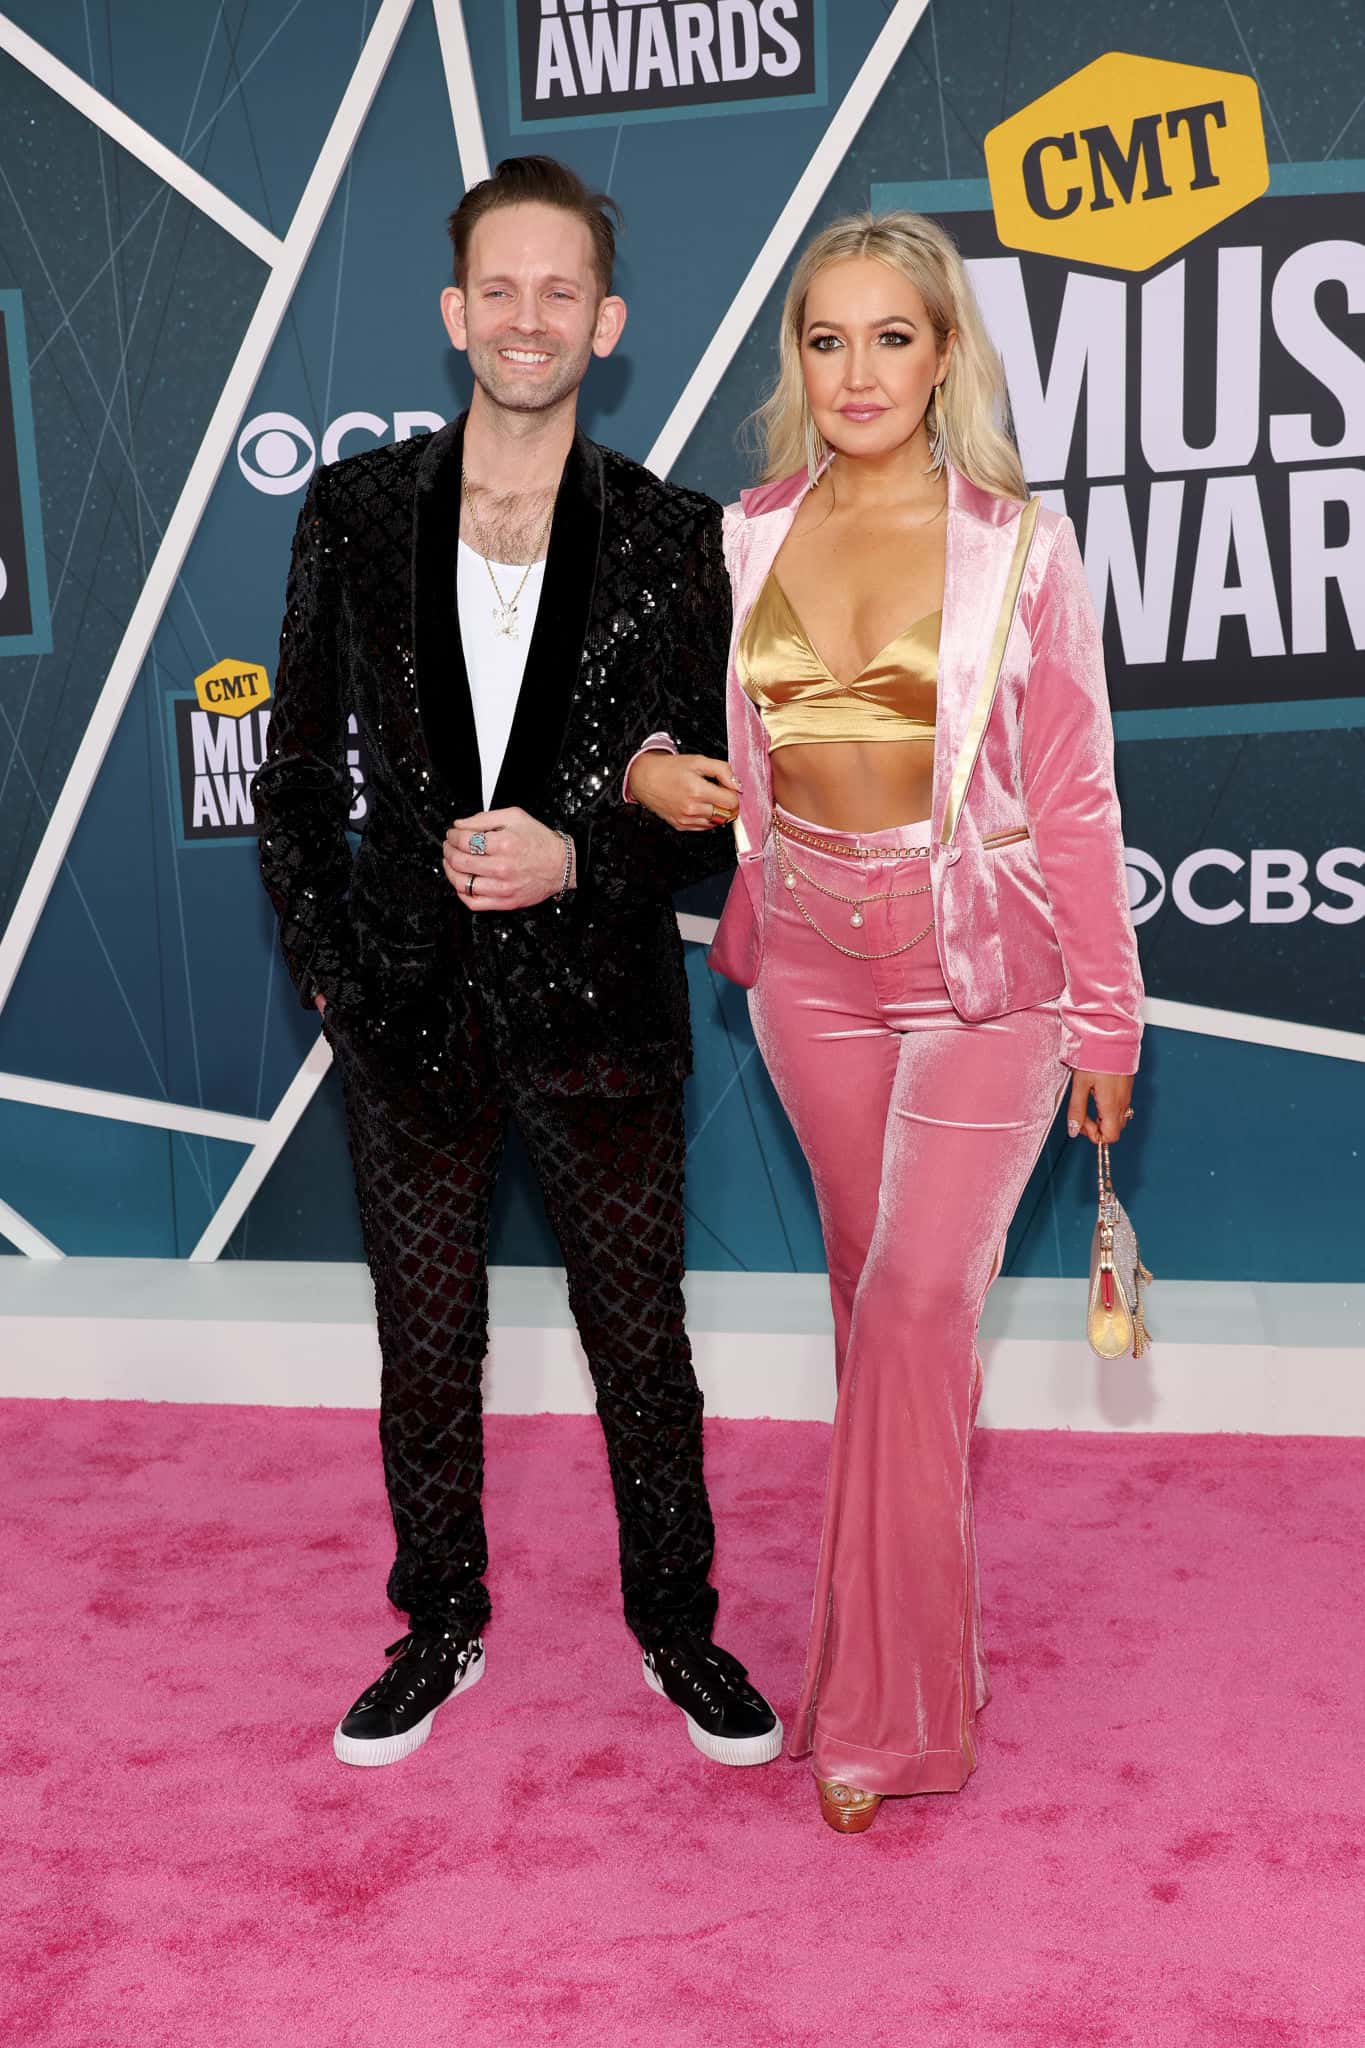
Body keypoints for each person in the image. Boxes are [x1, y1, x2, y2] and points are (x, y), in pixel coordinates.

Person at [254, 155, 779, 1771]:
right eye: (501, 288)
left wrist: (580, 851)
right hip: (402, 1012)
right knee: (424, 1347)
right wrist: (333, 972)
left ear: (606, 323)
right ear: (453, 311)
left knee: (641, 1348)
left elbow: (708, 812)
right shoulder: (353, 513)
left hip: (599, 1006)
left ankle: (678, 1630)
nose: (528, 317)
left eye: (561, 290)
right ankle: (438, 1624)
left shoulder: (674, 537)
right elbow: (293, 776)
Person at [626, 211, 1143, 1832]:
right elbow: (634, 707)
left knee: (917, 1312)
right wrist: (644, 770)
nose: (857, 371)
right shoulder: (741, 536)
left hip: (985, 967)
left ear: (942, 356)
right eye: (826, 339)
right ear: (798, 359)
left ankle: (886, 1716)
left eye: (890, 337)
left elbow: (1073, 795)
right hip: (807, 969)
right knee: (869, 1315)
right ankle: (899, 1663)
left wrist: (1108, 1020)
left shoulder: (1020, 547)